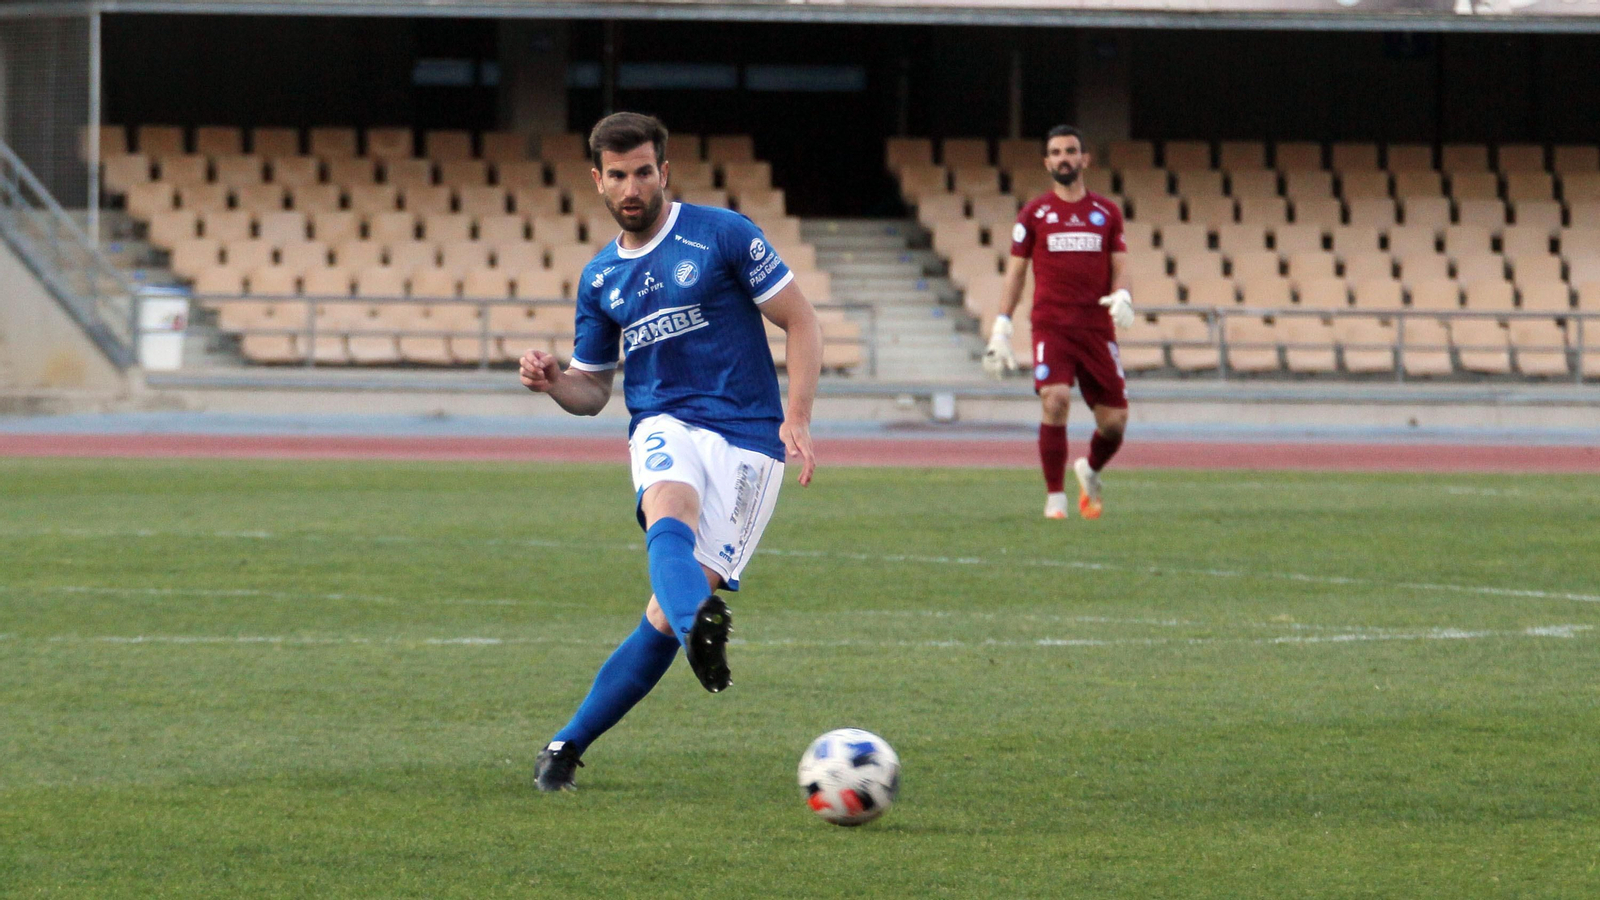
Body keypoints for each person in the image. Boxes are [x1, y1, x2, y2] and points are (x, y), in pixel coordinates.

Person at [519, 112, 821, 792]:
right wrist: (554, 381)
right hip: (662, 422)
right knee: (668, 509)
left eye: (643, 172)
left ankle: (568, 742)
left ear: (664, 171)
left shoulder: (723, 234)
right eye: (617, 175)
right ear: (597, 180)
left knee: (662, 614)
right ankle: (697, 626)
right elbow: (592, 390)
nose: (632, 187)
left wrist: (798, 415)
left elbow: (800, 320)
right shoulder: (600, 278)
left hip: (749, 436)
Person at [983, 125, 1133, 521]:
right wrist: (1001, 326)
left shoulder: (1107, 213)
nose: (1063, 158)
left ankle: (1090, 470)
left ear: (1085, 159)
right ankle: (1055, 499)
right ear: (1047, 162)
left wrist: (1123, 295)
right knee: (1055, 399)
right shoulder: (1034, 214)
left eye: (1070, 151)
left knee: (1115, 424)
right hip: (1052, 327)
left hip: (1097, 329)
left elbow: (1121, 266)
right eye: (1056, 152)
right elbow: (1016, 274)